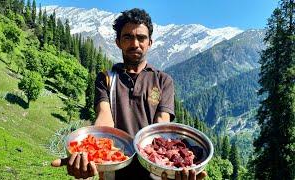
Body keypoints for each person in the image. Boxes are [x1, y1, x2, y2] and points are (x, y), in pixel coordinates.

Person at [51, 8, 207, 180]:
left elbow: (161, 127)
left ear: (150, 42)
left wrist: (173, 164)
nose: (135, 44)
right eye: (128, 37)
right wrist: (89, 152)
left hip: (154, 173)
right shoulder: (106, 79)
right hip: (114, 170)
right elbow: (104, 120)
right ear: (118, 42)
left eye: (141, 38)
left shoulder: (163, 80)